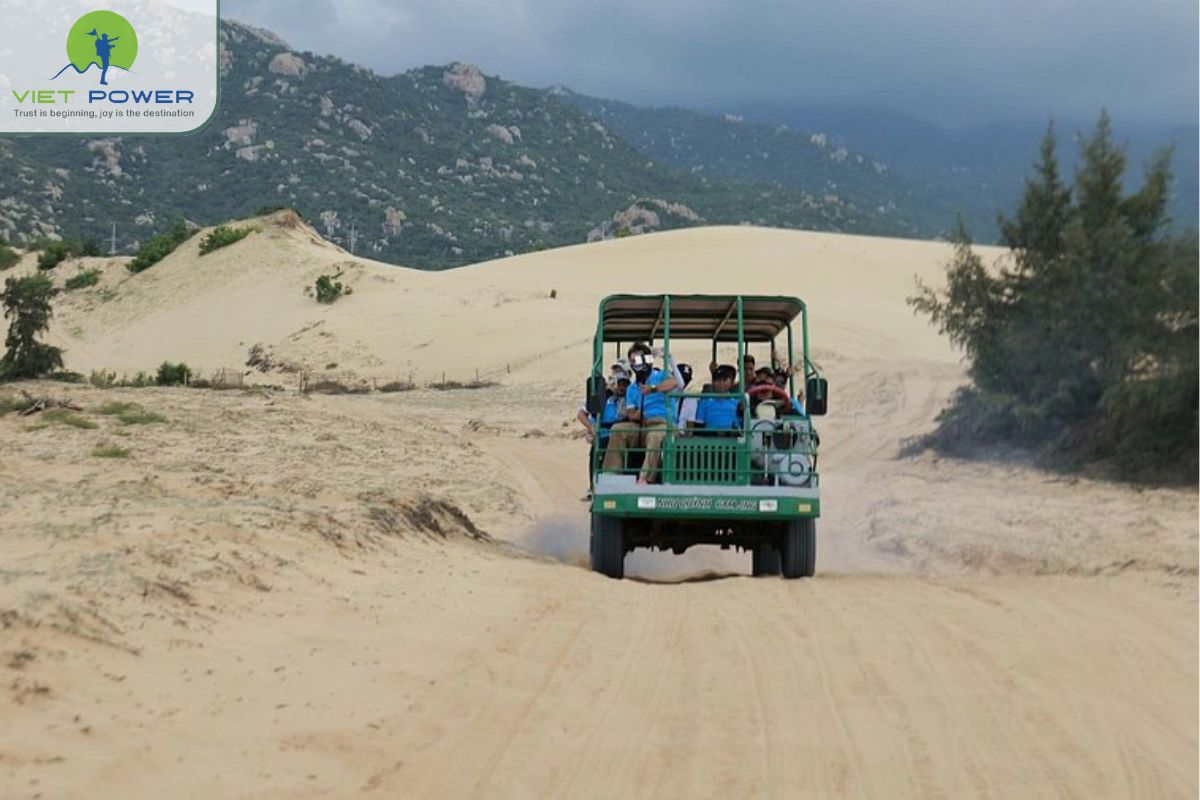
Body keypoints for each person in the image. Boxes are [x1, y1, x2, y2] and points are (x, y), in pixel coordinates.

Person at [602, 343, 678, 484]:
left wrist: (653, 389)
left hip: (663, 423)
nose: (636, 364)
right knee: (618, 430)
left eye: (639, 360)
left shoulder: (661, 376)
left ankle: (645, 479)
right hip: (642, 424)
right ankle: (611, 474)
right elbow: (631, 412)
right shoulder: (632, 388)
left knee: (655, 436)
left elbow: (675, 383)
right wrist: (635, 415)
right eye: (633, 361)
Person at [578, 367, 629, 498]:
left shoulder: (628, 398)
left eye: (625, 384)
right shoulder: (602, 396)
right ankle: (593, 487)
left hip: (620, 433)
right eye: (620, 383)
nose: (622, 387)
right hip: (603, 433)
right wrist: (591, 427)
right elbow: (581, 414)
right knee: (596, 449)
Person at [693, 365, 742, 434]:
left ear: (731, 383)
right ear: (712, 382)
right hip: (710, 439)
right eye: (717, 380)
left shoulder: (737, 403)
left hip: (733, 439)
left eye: (724, 380)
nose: (721, 383)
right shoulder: (704, 402)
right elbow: (698, 427)